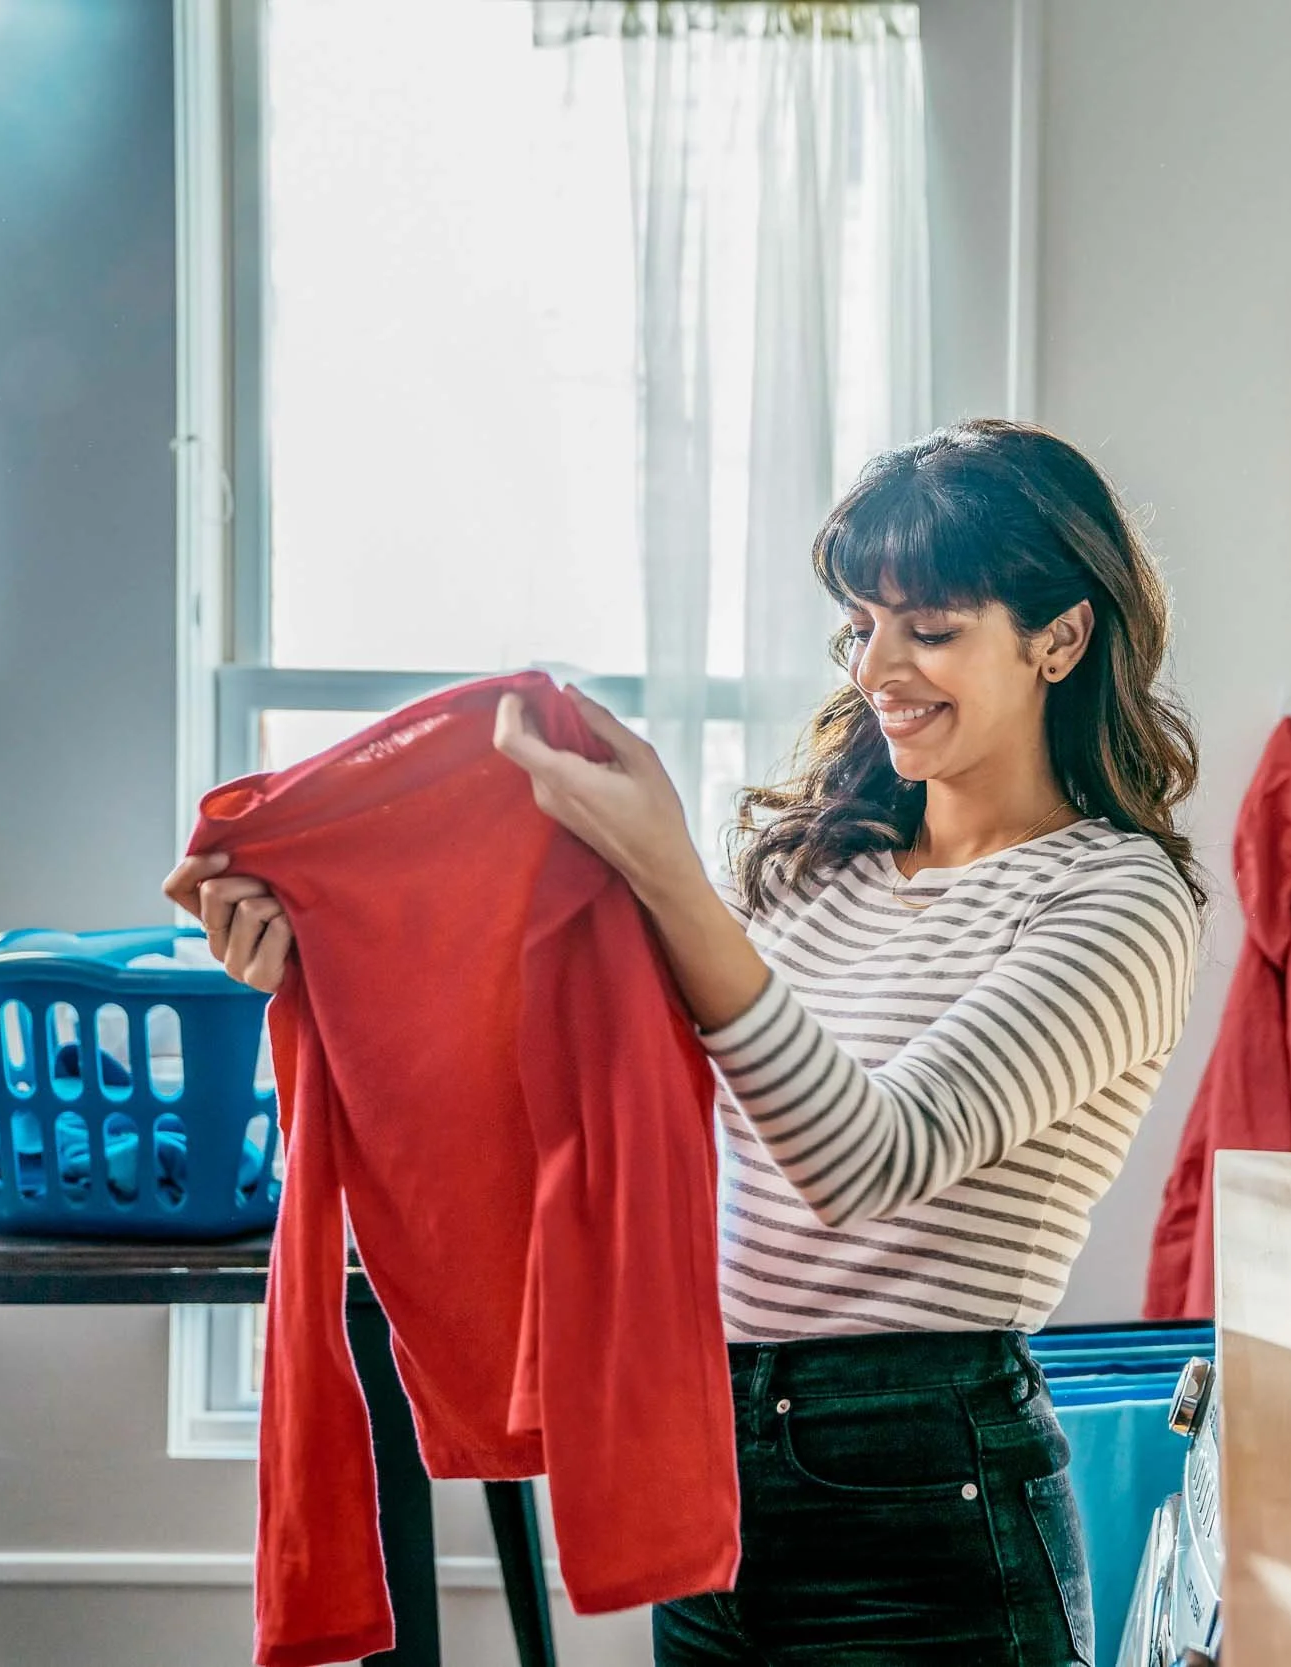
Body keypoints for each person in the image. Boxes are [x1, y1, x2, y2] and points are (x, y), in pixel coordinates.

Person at [163, 419, 1206, 1666]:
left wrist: (667, 872)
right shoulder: (817, 868)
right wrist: (326, 953)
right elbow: (568, 1067)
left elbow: (872, 1157)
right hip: (711, 1448)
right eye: (861, 623)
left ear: (1060, 636)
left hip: (927, 1482)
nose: (879, 666)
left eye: (930, 628)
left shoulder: (1118, 902)